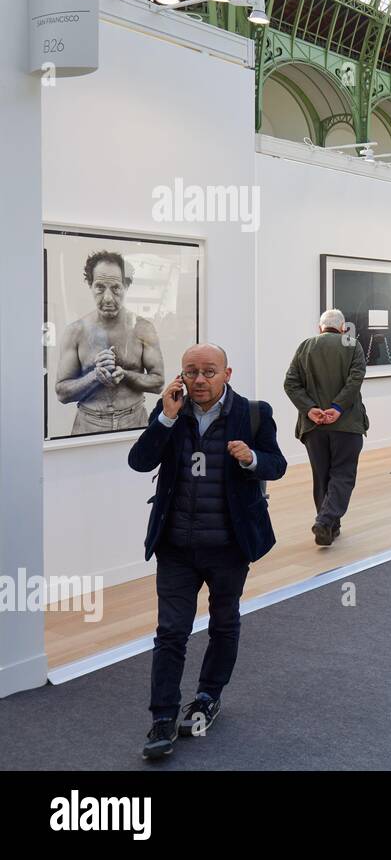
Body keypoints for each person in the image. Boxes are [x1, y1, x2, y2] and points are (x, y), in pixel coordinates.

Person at [127, 343, 288, 760]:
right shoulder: (170, 414)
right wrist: (164, 417)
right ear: (181, 374)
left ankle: (207, 696)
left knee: (223, 623)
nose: (200, 380)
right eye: (191, 371)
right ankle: (162, 716)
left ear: (227, 373)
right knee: (171, 633)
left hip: (228, 546)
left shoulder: (254, 413)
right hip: (176, 547)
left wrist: (253, 458)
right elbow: (139, 461)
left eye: (209, 371)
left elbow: (278, 464)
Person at [283, 309, 369, 546]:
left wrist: (310, 409)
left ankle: (329, 526)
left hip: (314, 426)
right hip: (347, 424)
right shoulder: (352, 344)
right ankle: (325, 520)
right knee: (342, 474)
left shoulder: (305, 346)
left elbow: (291, 383)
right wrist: (337, 408)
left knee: (321, 476)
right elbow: (355, 380)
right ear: (343, 328)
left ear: (319, 328)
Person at [55, 250, 165, 434]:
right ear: (90, 285)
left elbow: (158, 383)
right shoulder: (75, 331)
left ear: (126, 286)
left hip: (134, 420)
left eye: (115, 288)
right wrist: (95, 377)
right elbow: (62, 393)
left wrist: (125, 375)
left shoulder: (143, 328)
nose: (107, 298)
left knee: (138, 463)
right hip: (89, 423)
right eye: (99, 287)